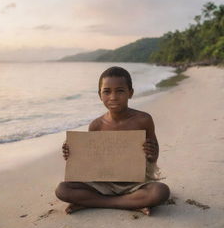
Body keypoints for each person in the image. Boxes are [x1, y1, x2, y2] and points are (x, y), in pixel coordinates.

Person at [55, 66, 170, 215]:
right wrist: (72, 155)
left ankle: (94, 202)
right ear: (99, 95)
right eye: (107, 91)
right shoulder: (96, 125)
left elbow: (153, 158)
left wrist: (151, 152)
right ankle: (129, 203)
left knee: (160, 192)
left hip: (135, 184)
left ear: (131, 93)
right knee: (63, 189)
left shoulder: (143, 120)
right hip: (103, 183)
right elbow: (91, 164)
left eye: (120, 91)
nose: (113, 97)